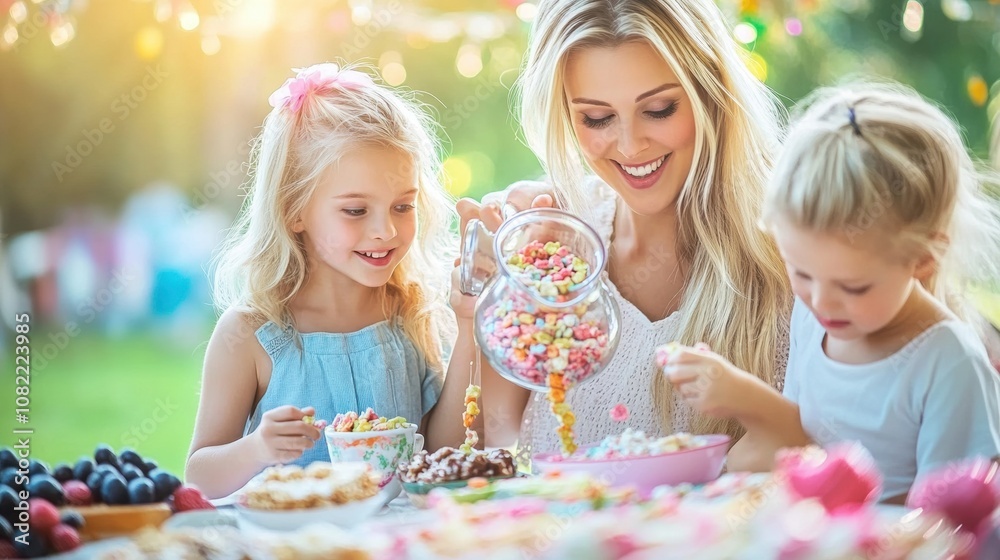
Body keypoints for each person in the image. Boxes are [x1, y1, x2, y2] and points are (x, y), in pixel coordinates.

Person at [456, 0, 792, 468]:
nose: (632, 146)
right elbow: (495, 441)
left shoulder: (795, 255)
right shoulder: (555, 247)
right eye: (597, 118)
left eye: (658, 109)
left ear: (710, 92)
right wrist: (482, 311)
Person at [662, 83, 1000, 502]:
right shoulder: (813, 319)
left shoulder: (947, 363)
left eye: (852, 286)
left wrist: (750, 399)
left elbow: (956, 520)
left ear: (923, 259)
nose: (821, 302)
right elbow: (802, 454)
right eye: (801, 274)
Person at [186, 63, 476, 498]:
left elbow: (441, 450)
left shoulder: (410, 311)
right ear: (294, 210)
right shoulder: (251, 334)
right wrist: (256, 449)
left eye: (402, 206)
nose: (386, 231)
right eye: (356, 211)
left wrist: (469, 323)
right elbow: (198, 476)